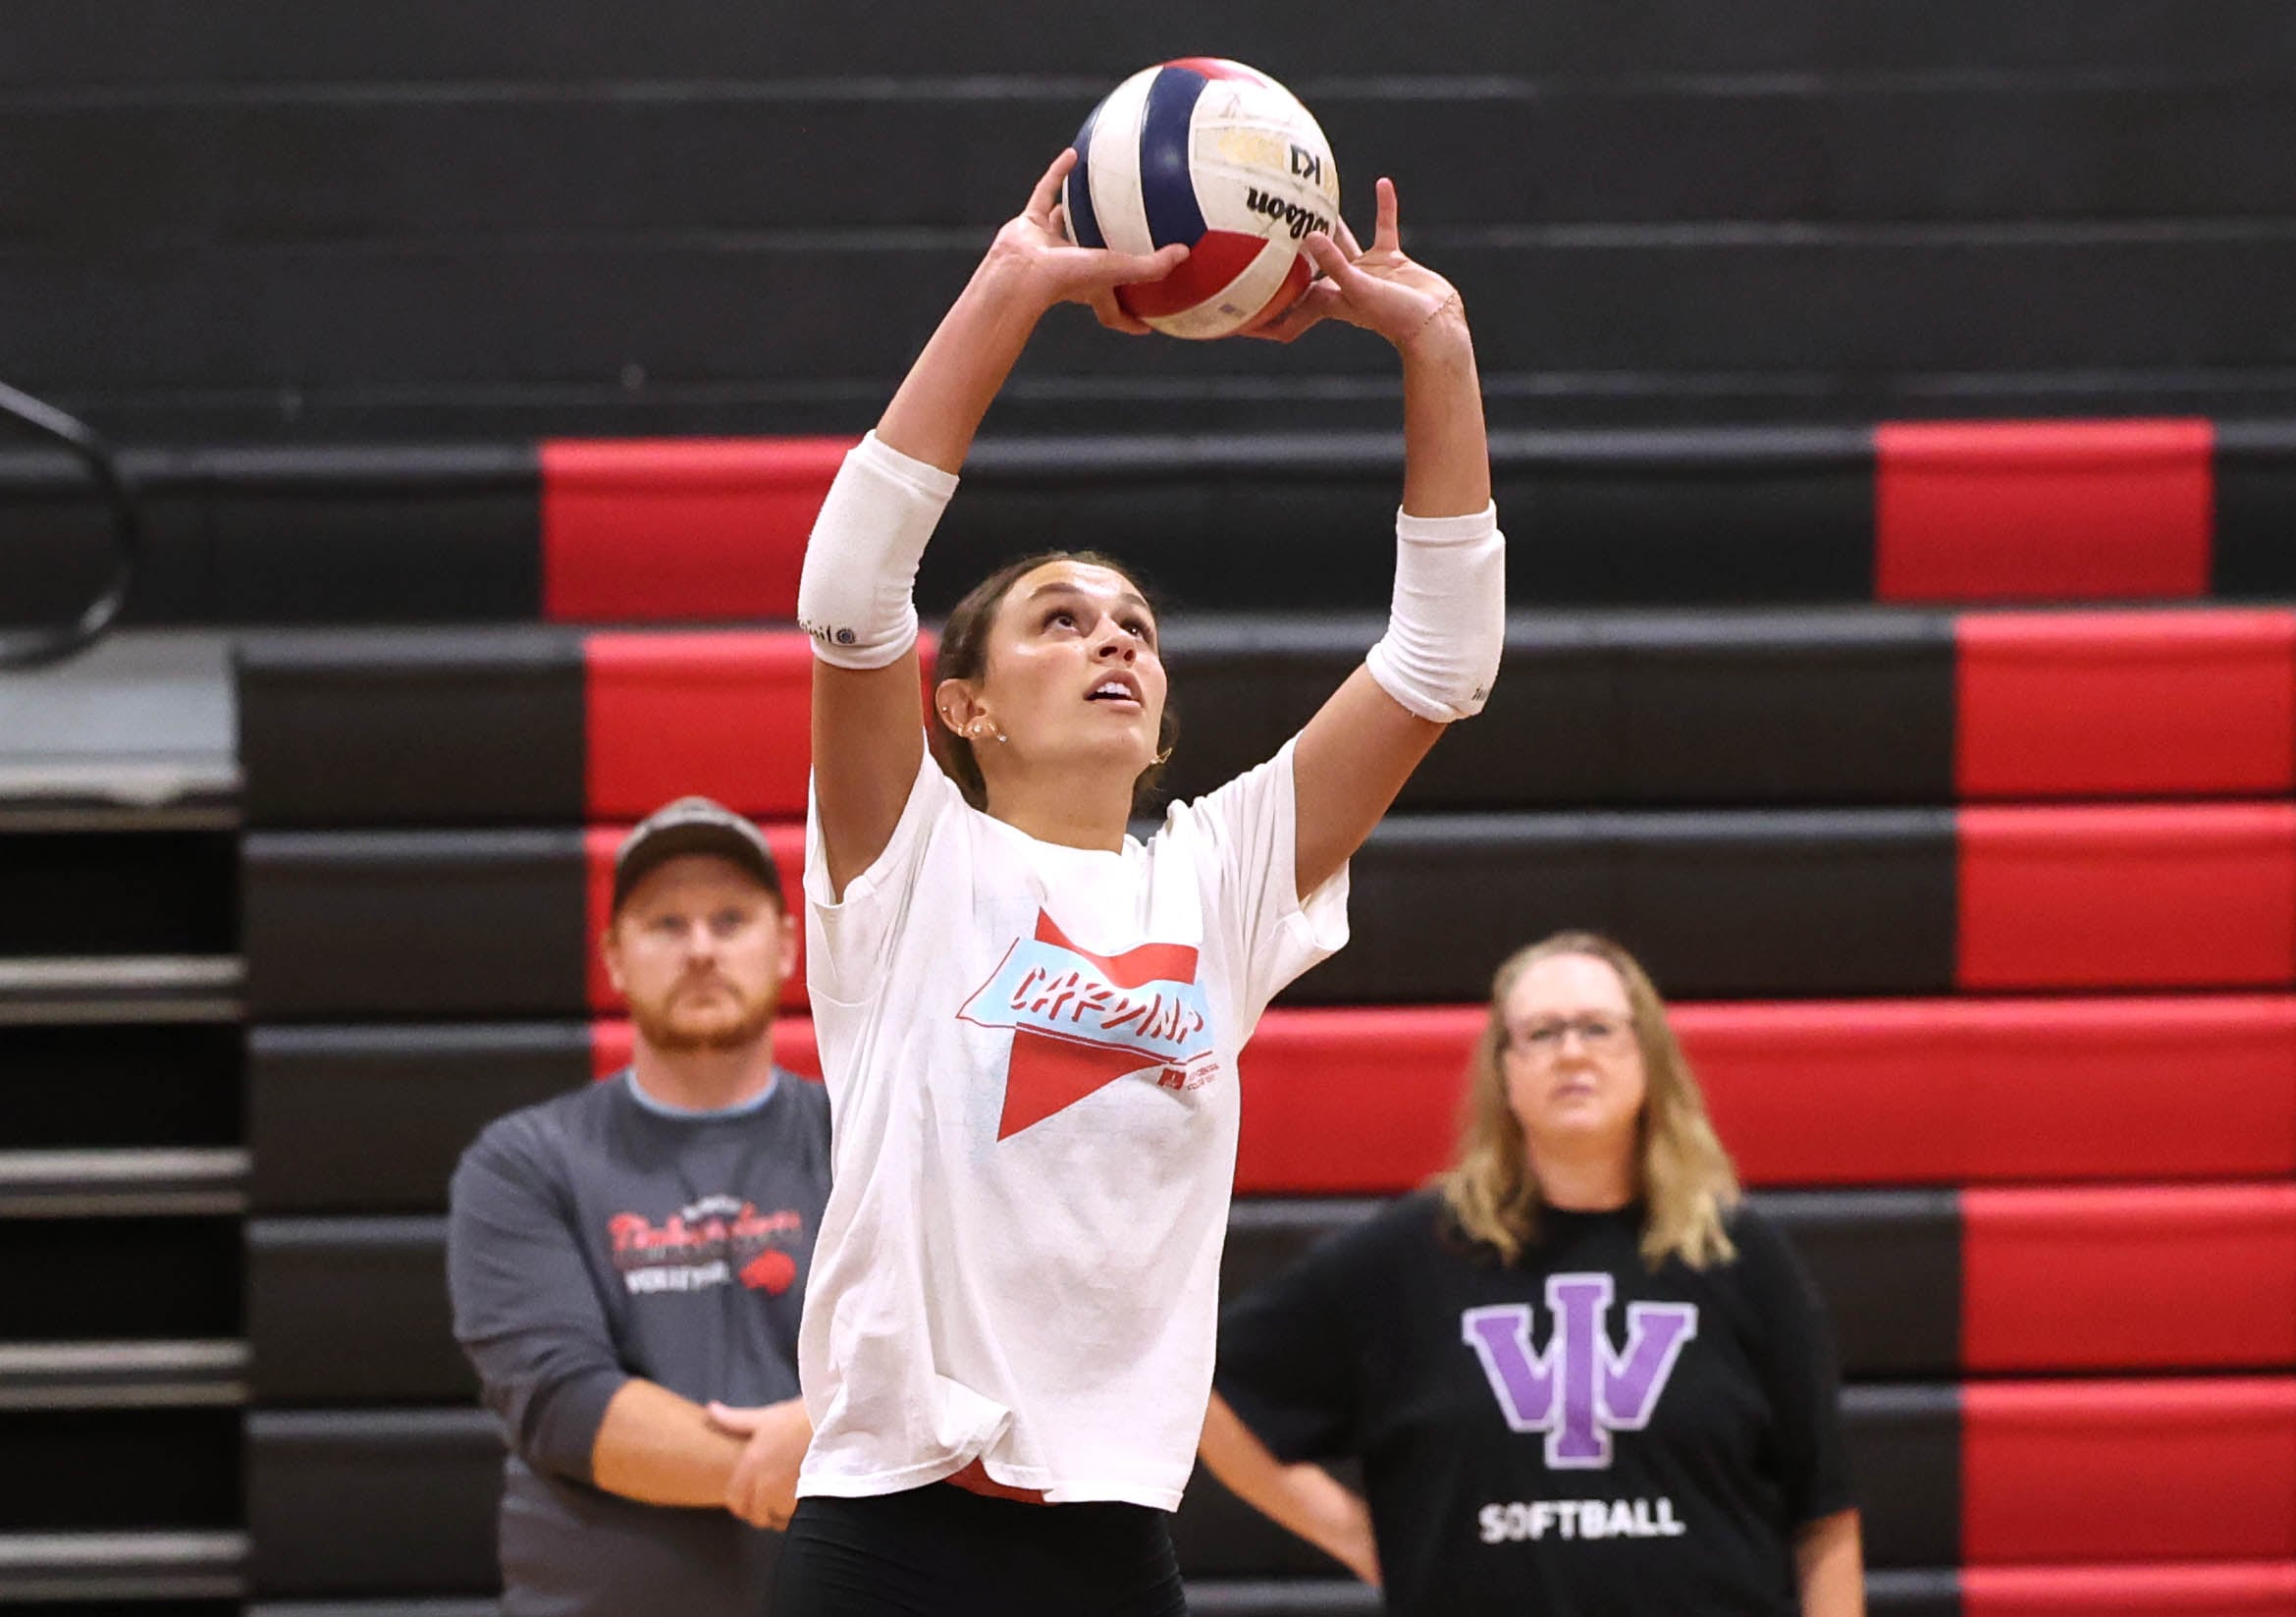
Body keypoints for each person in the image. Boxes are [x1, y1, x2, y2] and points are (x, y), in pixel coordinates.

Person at [777, 146, 1504, 1617]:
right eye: (1058, 619)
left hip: (1114, 1546)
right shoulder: (912, 860)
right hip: (888, 1537)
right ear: (962, 706)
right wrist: (1005, 294)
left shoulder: (1216, 881)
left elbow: (1440, 662)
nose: (1113, 638)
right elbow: (850, 600)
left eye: (1133, 626)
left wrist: (1435, 346)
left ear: (1160, 714)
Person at [1202, 931, 1866, 1617]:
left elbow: (1823, 1516)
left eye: (1597, 1027)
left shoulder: (1738, 1255)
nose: (1572, 1051)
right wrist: (1370, 1542)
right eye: (1541, 1032)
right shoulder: (1405, 1257)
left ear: (1646, 1055)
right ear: (1503, 1071)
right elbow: (1213, 1392)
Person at [447, 796, 832, 1617]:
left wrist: (827, 1437)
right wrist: (825, 1452)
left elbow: (949, 1352)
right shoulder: (523, 1162)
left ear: (786, 946)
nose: (700, 949)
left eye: (729, 918)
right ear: (615, 956)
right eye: (665, 923)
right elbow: (565, 1403)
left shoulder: (870, 1139)